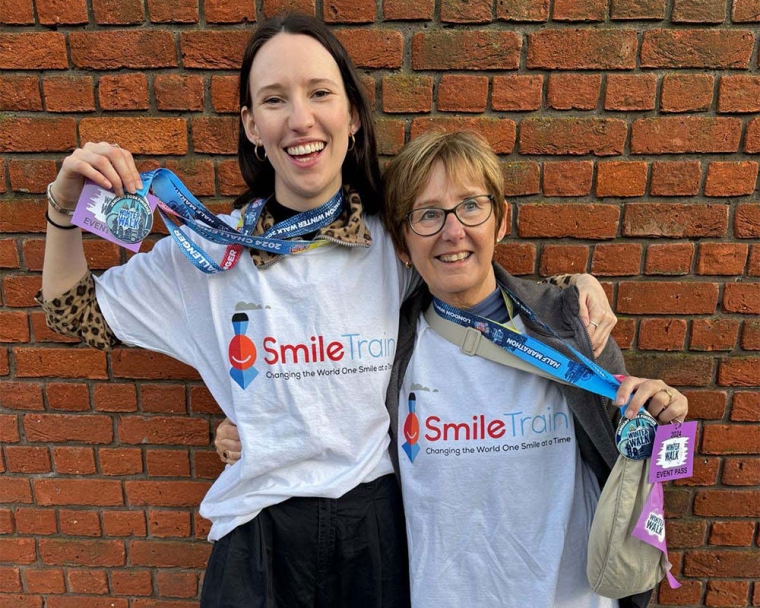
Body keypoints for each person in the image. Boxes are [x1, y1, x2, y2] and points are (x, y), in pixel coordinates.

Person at [39, 13, 617, 608]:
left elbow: (470, 284)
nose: (300, 118)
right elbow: (71, 311)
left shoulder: (393, 243)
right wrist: (62, 206)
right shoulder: (207, 253)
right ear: (252, 126)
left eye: (320, 93)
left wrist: (568, 291)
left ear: (353, 116)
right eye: (273, 99)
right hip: (256, 533)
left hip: (374, 531)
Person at [218, 131, 690, 608]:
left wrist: (660, 415)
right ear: (402, 247)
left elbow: (628, 452)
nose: (452, 231)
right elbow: (329, 411)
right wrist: (258, 427)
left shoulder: (570, 325)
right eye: (427, 215)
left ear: (501, 221)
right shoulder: (388, 347)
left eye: (471, 206)